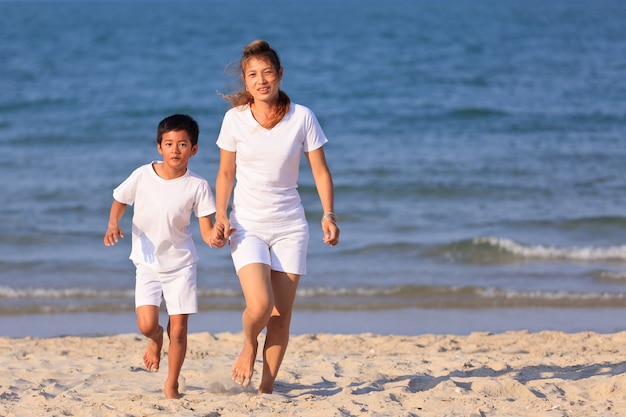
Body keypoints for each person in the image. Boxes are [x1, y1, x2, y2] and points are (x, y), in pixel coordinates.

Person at [213, 39, 340, 395]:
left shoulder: (303, 117)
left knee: (281, 318)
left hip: (290, 228)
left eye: (267, 72)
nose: (261, 80)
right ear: (245, 80)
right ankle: (249, 342)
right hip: (247, 225)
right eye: (253, 74)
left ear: (280, 74)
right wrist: (221, 214)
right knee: (261, 304)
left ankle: (266, 391)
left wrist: (328, 215)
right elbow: (225, 174)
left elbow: (320, 171)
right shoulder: (234, 120)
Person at [103, 114, 226, 399]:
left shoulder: (198, 185)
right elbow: (120, 200)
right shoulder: (142, 175)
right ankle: (156, 339)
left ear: (194, 149)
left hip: (181, 264)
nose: (175, 150)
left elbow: (207, 230)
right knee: (146, 324)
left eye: (182, 144)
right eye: (169, 143)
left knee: (180, 330)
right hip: (146, 263)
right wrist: (113, 224)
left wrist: (216, 239)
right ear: (159, 146)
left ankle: (171, 383)